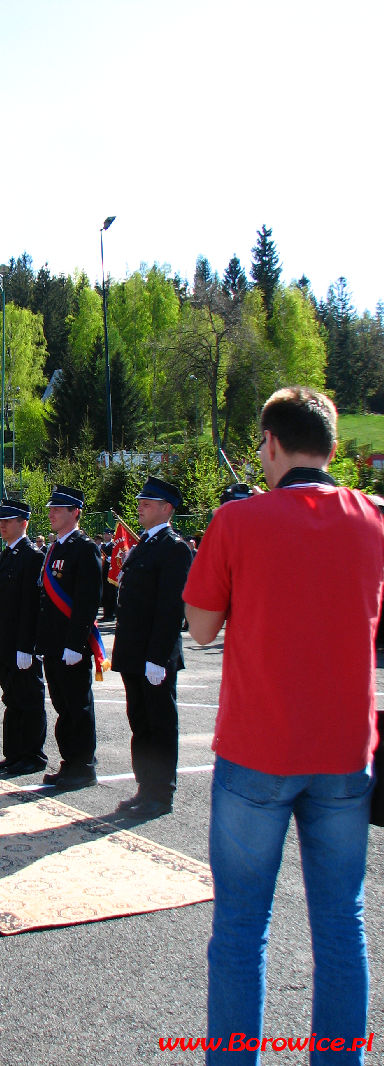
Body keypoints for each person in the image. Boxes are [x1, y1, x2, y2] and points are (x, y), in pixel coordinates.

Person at [183, 387, 383, 1065]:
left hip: (257, 750)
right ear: (329, 446)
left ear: (270, 444)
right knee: (340, 927)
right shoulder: (374, 520)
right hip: (344, 754)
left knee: (241, 929)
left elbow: (202, 630)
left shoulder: (238, 522)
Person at [111, 476, 192, 820]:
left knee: (160, 724)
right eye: (140, 503)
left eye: (147, 504)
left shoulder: (174, 548)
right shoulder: (143, 545)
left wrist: (158, 657)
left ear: (166, 509)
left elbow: (170, 607)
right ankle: (145, 788)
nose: (140, 508)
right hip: (133, 652)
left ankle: (161, 794)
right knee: (140, 723)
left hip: (153, 655)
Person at [35, 485, 102, 790]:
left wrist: (76, 643)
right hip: (53, 644)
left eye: (58, 510)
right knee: (63, 706)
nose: (51, 514)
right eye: (51, 509)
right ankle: (69, 762)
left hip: (71, 646)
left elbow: (87, 601)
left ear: (75, 512)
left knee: (78, 705)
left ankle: (84, 766)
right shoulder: (55, 548)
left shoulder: (84, 548)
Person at [0, 502, 46, 775]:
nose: (2, 525)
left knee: (29, 699)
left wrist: (27, 647)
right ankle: (13, 754)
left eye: (8, 520)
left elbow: (31, 607)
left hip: (21, 645)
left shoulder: (32, 556)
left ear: (24, 523)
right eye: (1, 520)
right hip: (5, 643)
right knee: (12, 699)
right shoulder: (5, 556)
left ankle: (32, 755)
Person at [100, 527, 117, 621]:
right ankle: (106, 613)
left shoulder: (114, 545)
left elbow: (118, 555)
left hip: (111, 572)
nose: (106, 535)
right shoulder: (102, 546)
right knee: (105, 593)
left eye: (108, 534)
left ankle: (112, 614)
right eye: (105, 534)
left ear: (111, 535)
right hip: (104, 572)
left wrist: (111, 559)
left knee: (111, 593)